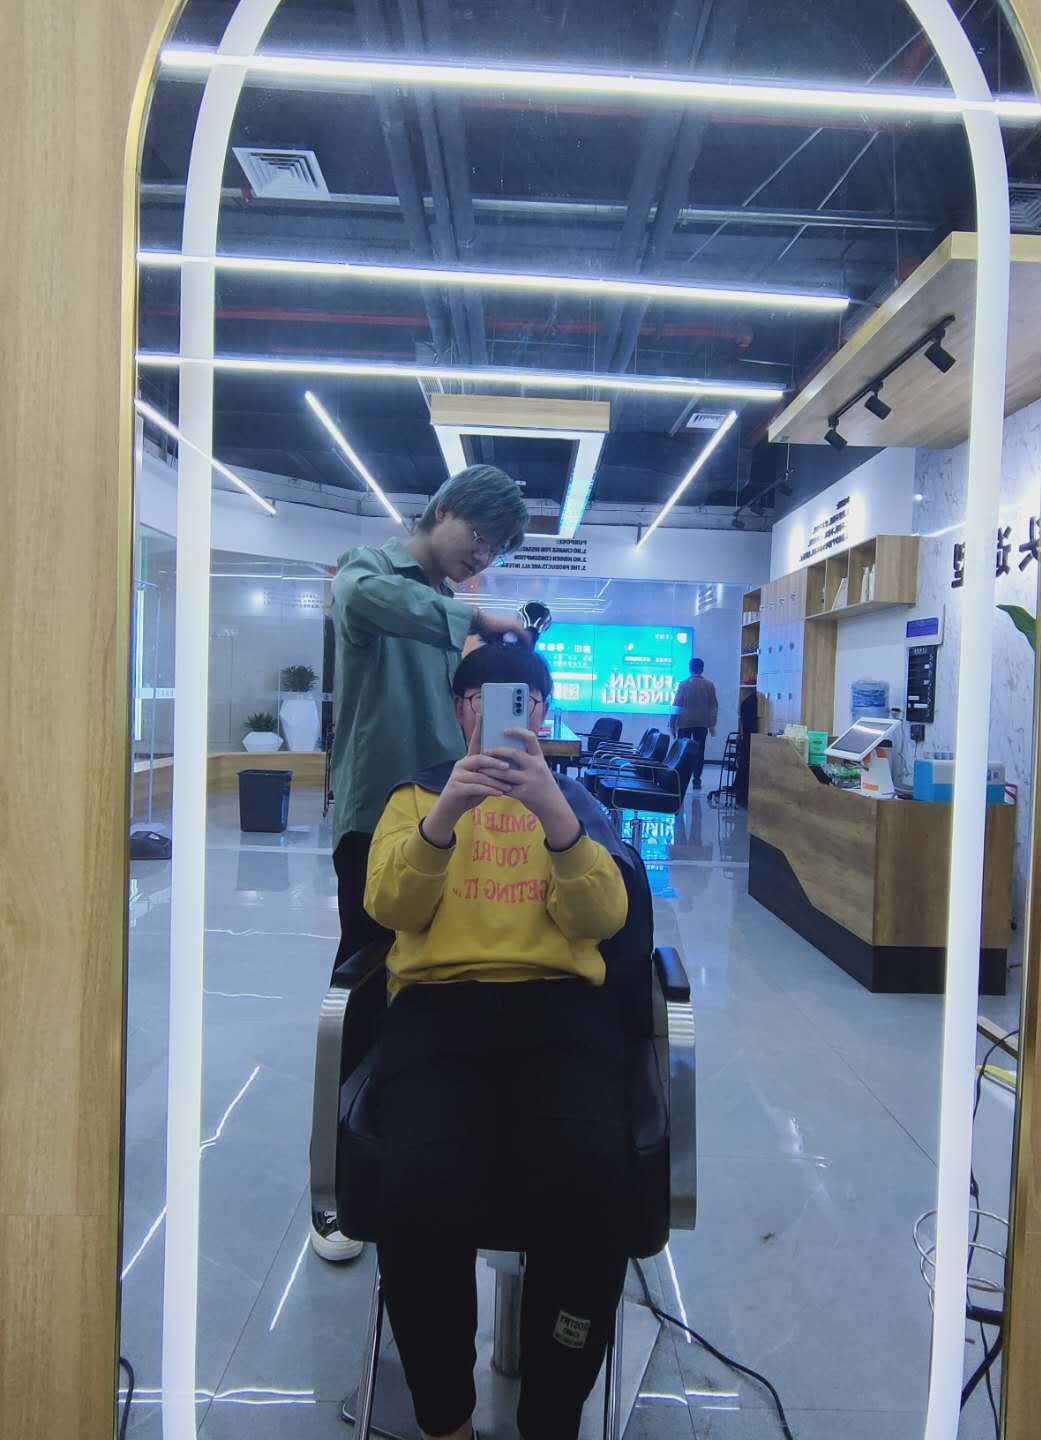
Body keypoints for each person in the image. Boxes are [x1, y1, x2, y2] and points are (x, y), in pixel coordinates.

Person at [364, 642, 632, 1440]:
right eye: (482, 698)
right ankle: (445, 1416)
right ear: (460, 710)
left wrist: (555, 818)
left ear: (541, 713)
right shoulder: (414, 797)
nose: (503, 711)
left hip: (559, 1010)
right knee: (417, 1187)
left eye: (523, 699)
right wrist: (445, 816)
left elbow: (604, 919)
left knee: (592, 1181)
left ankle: (552, 1412)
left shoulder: (577, 803)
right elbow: (390, 908)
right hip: (438, 1006)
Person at [315, 465, 529, 1261]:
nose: (482, 555)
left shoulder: (452, 611)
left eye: (496, 549)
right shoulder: (369, 572)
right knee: (365, 983)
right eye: (479, 536)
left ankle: (421, 1150)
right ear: (442, 510)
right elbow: (360, 600)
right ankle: (338, 1183)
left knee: (436, 984)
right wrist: (471, 615)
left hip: (450, 817)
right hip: (378, 818)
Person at [669, 656, 718, 790]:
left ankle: (680, 777)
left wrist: (672, 723)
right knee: (699, 752)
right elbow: (713, 706)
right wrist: (712, 724)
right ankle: (697, 780)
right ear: (702, 669)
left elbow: (677, 704)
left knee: (682, 751)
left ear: (690, 669)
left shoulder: (683, 684)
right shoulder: (709, 685)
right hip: (702, 723)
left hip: (684, 723)